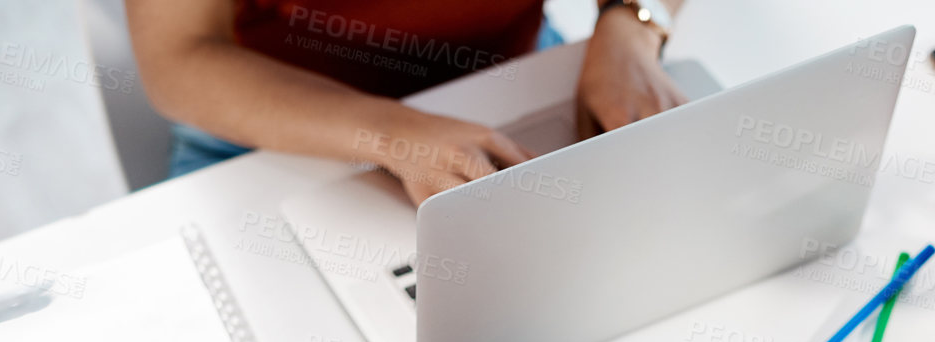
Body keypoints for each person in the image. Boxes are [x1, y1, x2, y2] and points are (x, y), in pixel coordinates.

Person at [126, 0, 685, 201]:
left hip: (514, 81)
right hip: (271, 130)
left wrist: (631, 22)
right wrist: (390, 133)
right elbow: (178, 57)